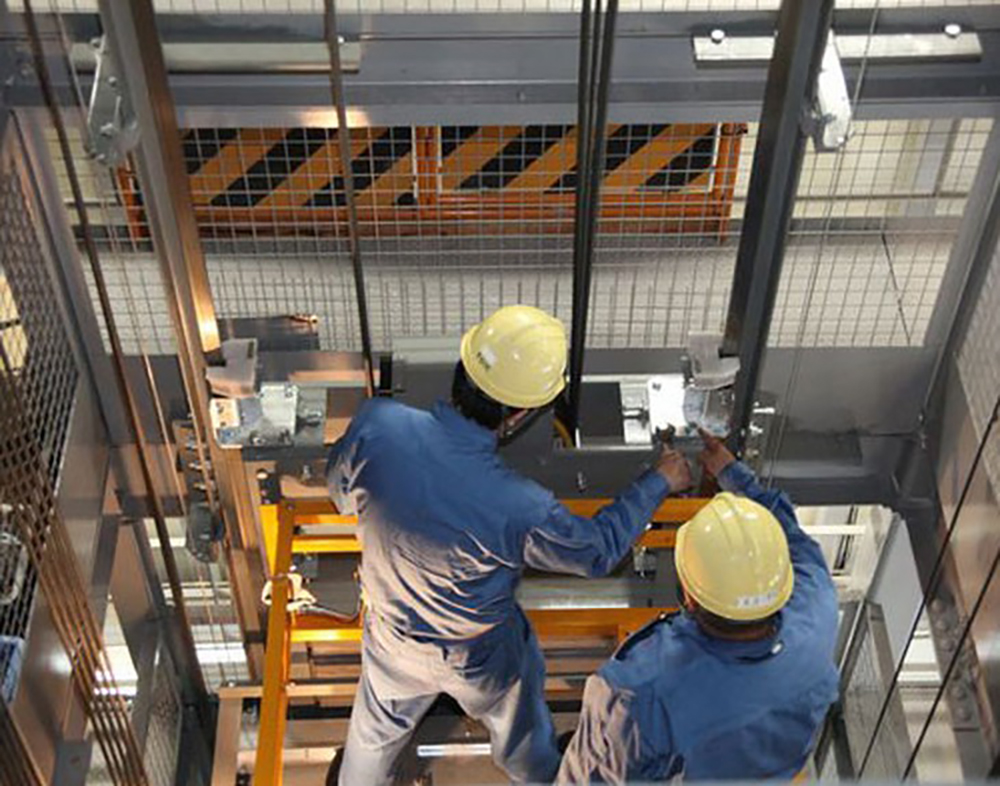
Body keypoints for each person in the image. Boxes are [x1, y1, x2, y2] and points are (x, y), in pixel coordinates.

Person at [326, 305, 693, 785]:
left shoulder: (377, 423)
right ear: (519, 415)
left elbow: (340, 493)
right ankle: (543, 777)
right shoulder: (519, 504)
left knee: (372, 739)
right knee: (521, 737)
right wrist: (660, 480)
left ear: (463, 368)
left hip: (393, 643)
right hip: (479, 661)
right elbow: (597, 551)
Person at [557, 430, 840, 783]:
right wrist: (732, 473)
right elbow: (791, 534)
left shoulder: (641, 691)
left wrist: (718, 474)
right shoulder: (818, 608)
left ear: (688, 595)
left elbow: (589, 777)